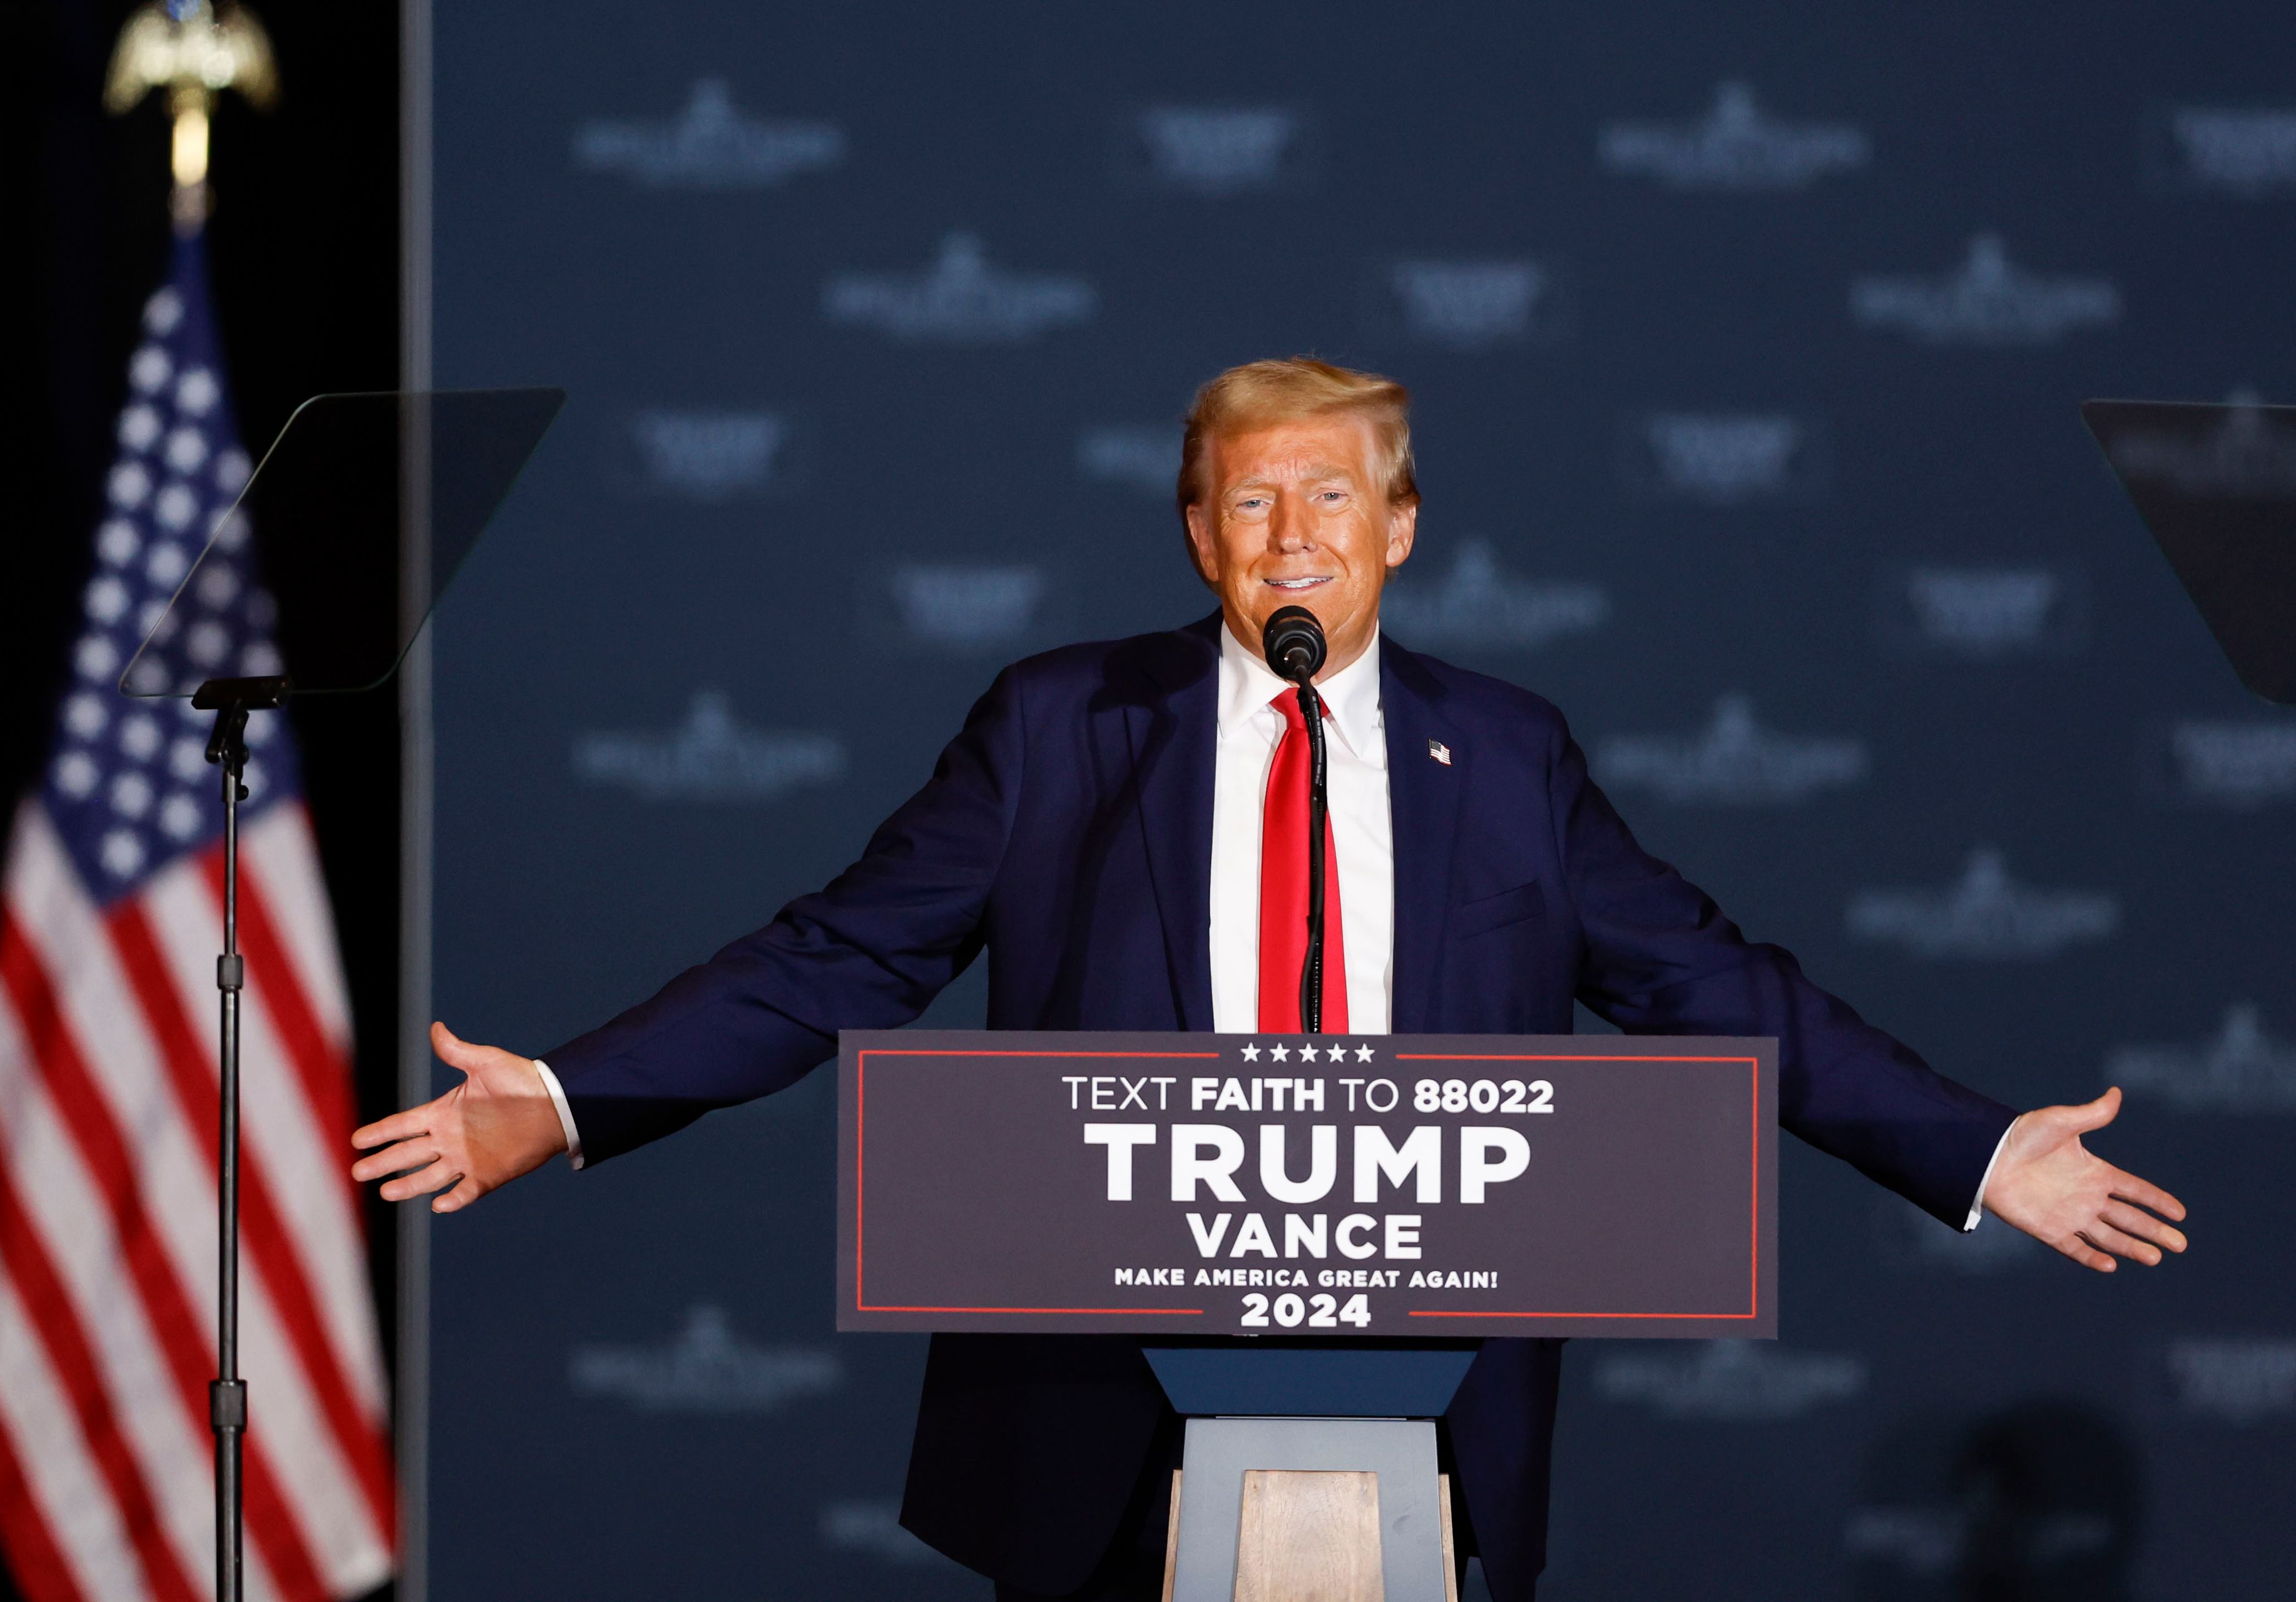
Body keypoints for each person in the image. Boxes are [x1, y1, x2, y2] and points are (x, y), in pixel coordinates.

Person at [352, 358, 2188, 1602]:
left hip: (1429, 1397)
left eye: (1330, 498)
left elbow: (1715, 986)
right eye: (1249, 504)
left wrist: (1970, 1149)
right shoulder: (1067, 729)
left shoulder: (1510, 750)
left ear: (1402, 531)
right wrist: (576, 1096)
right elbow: (843, 951)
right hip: (1095, 1414)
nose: (1291, 535)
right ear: (1195, 537)